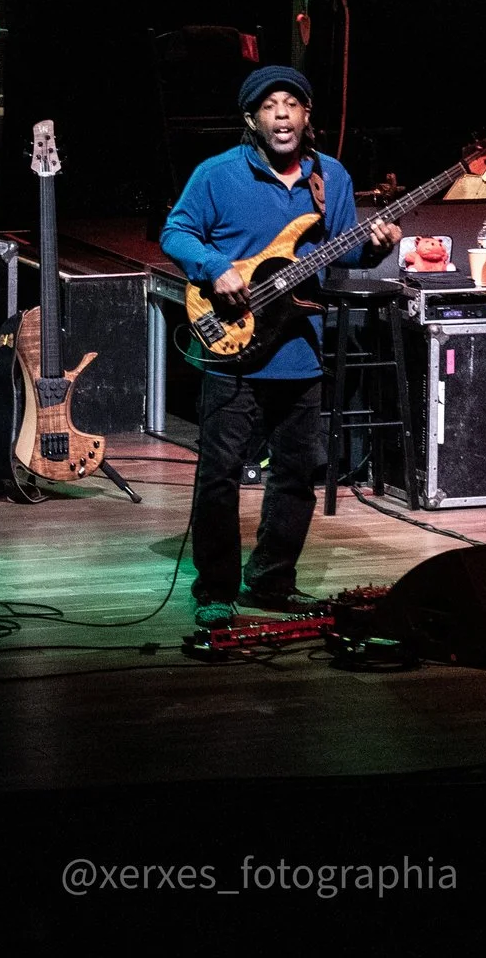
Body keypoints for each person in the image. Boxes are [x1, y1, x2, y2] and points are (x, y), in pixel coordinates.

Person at [161, 65, 399, 628]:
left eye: (293, 104)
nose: (283, 115)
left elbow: (340, 255)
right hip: (233, 349)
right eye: (270, 106)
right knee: (219, 474)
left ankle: (271, 579)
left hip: (299, 349)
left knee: (298, 471)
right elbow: (176, 231)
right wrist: (214, 267)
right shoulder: (217, 175)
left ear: (307, 116)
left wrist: (373, 249)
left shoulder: (330, 177)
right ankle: (215, 588)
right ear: (252, 119)